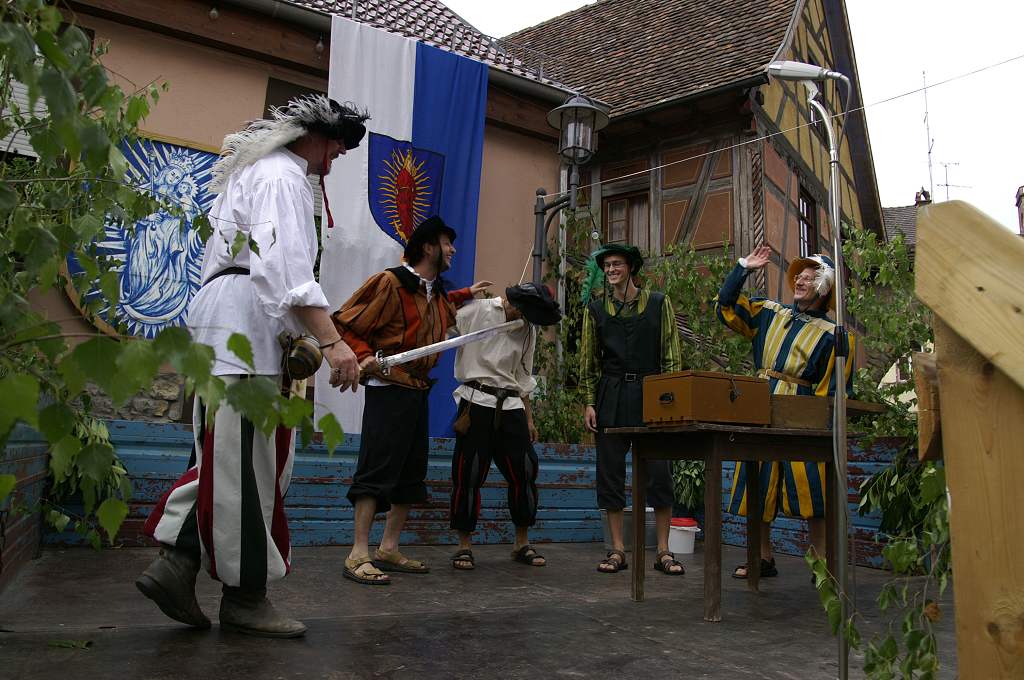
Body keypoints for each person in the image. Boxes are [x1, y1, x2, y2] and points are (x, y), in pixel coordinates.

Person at [137, 95, 369, 637]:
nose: (337, 156)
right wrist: (333, 343)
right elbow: (285, 273)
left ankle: (178, 564)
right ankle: (244, 596)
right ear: (314, 135)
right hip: (244, 329)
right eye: (337, 144)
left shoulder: (253, 173)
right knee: (246, 467)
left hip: (227, 325)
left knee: (226, 458)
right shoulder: (283, 176)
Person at [332, 215, 488, 585]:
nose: (452, 250)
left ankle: (388, 547)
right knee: (376, 468)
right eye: (447, 243)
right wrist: (363, 355)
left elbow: (442, 305)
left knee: (409, 473)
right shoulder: (390, 283)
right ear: (428, 247)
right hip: (388, 387)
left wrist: (468, 292)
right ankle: (358, 552)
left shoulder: (437, 294)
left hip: (418, 390)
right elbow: (345, 323)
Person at [715, 245, 855, 579]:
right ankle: (761, 556)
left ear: (824, 288)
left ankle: (820, 558)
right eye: (799, 276)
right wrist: (743, 267)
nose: (800, 281)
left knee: (812, 486)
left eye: (809, 278)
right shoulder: (769, 312)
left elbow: (834, 389)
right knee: (757, 481)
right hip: (760, 406)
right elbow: (726, 306)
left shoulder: (835, 336)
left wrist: (821, 427)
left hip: (801, 414)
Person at [579, 244, 685, 576]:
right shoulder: (595, 310)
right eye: (607, 265)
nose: (611, 270)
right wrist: (589, 402)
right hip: (611, 394)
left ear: (631, 268)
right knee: (610, 473)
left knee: (659, 473)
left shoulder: (658, 303)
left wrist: (672, 398)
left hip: (651, 394)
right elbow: (588, 362)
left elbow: (671, 355)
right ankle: (617, 549)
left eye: (617, 264)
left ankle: (664, 550)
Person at [448, 283, 562, 571]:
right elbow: (443, 322)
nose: (524, 318)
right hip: (476, 401)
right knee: (468, 473)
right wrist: (459, 298)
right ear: (516, 303)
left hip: (511, 405)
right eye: (524, 312)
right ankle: (464, 546)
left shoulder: (527, 328)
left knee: (525, 471)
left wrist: (529, 418)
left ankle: (521, 543)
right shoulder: (477, 311)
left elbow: (523, 375)